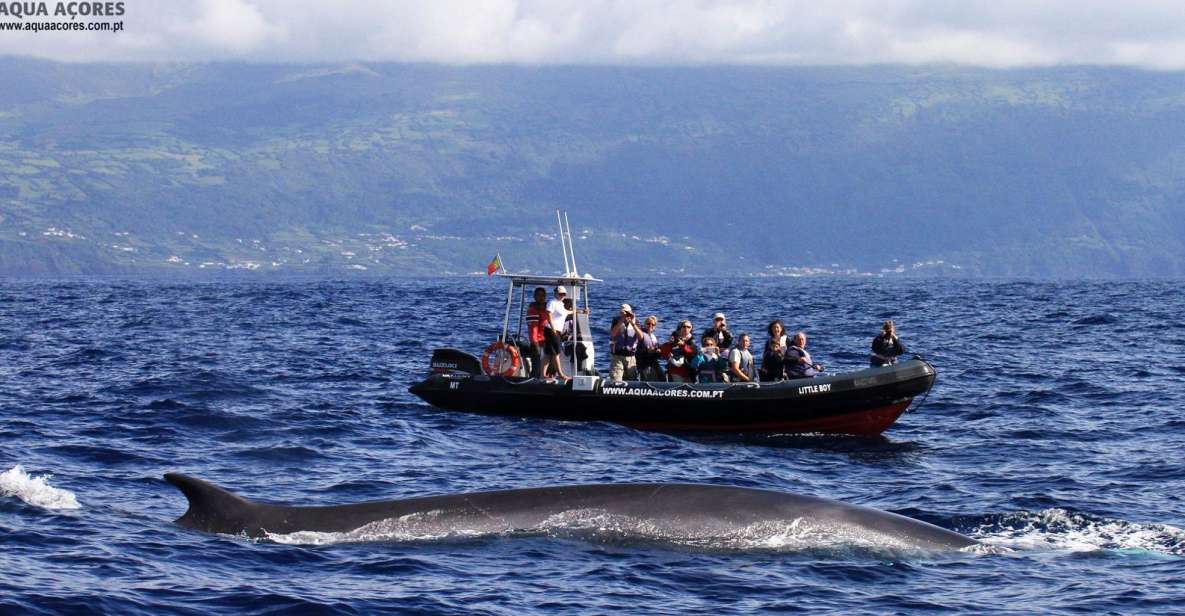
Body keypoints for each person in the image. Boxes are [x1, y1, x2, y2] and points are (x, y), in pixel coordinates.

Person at [608, 303, 643, 381]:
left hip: (631, 357)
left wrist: (633, 324)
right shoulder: (616, 320)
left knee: (632, 380)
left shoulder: (635, 321)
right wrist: (621, 321)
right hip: (617, 356)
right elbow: (612, 334)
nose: (624, 315)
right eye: (622, 313)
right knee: (616, 380)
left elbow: (641, 337)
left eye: (626, 313)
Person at [524, 287, 550, 378]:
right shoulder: (532, 310)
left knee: (545, 368)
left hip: (546, 342)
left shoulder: (546, 309)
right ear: (534, 296)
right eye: (539, 295)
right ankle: (533, 384)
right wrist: (535, 344)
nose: (541, 297)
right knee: (537, 368)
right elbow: (532, 329)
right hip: (537, 343)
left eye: (543, 295)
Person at [636, 315, 664, 381]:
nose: (650, 325)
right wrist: (647, 351)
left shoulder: (653, 337)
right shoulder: (641, 334)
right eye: (648, 324)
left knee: (662, 378)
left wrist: (658, 352)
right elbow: (637, 351)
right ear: (645, 324)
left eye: (653, 324)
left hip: (653, 363)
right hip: (644, 364)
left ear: (655, 327)